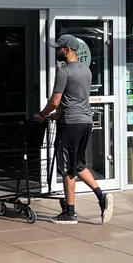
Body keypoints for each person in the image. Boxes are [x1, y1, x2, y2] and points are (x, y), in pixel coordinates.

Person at [35, 34, 114, 225]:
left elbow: (55, 100)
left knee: (67, 168)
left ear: (67, 50)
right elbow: (74, 98)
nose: (56, 51)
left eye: (59, 48)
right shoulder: (86, 70)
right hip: (85, 122)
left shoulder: (64, 72)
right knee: (78, 164)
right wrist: (58, 115)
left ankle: (69, 213)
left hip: (70, 124)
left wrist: (43, 115)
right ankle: (101, 196)